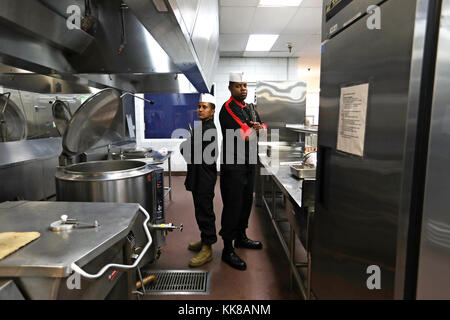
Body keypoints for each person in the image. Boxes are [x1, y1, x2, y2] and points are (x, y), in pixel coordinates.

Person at [219, 72, 267, 271]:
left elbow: (263, 127)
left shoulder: (251, 108)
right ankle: (227, 249)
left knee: (247, 201)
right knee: (233, 203)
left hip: (249, 163)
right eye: (238, 86)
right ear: (230, 88)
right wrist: (253, 129)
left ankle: (241, 237)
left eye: (245, 85)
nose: (243, 89)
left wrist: (256, 128)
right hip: (233, 165)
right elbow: (243, 135)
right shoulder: (227, 108)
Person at [180, 93, 218, 267]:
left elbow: (187, 151)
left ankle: (207, 249)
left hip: (204, 177)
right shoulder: (201, 126)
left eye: (205, 107)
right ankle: (204, 240)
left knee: (205, 212)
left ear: (212, 111)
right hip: (198, 176)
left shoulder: (208, 129)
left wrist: (186, 145)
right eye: (199, 106)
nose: (200, 109)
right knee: (200, 210)